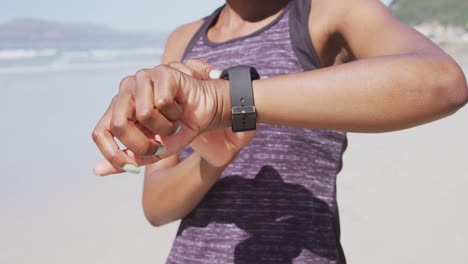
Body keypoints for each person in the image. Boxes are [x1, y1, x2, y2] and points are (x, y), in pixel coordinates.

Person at [92, 0, 468, 263]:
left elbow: (441, 82)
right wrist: (213, 161)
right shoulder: (183, 40)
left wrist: (228, 102)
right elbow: (156, 208)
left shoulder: (326, 13)